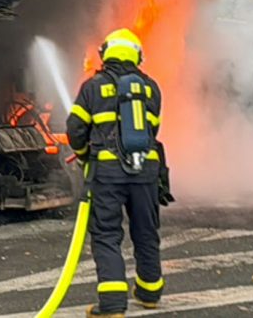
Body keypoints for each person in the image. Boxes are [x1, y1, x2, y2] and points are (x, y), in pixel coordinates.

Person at [66, 28, 170, 316]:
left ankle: (112, 306)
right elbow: (154, 129)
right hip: (147, 171)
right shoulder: (151, 88)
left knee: (107, 234)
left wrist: (86, 156)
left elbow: (74, 129)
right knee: (146, 231)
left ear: (105, 54)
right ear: (137, 57)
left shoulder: (93, 87)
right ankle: (150, 292)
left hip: (108, 172)